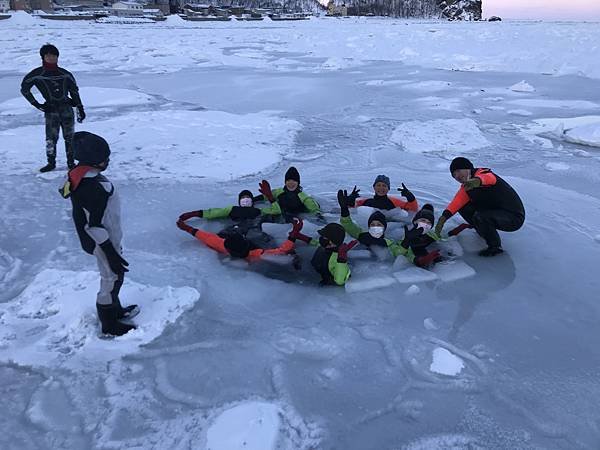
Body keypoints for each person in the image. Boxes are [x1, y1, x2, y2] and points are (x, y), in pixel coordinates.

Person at [59, 131, 137, 337]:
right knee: (110, 277)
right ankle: (109, 324)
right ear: (93, 160)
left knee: (116, 275)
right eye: (104, 158)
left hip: (107, 236)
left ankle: (116, 309)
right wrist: (110, 252)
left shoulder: (79, 175)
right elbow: (93, 225)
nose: (108, 161)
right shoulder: (93, 187)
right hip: (100, 240)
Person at [434, 157, 525, 257]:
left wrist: (477, 181)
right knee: (463, 207)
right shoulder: (466, 186)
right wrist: (443, 219)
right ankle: (483, 230)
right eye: (454, 175)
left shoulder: (482, 173)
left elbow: (489, 178)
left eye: (458, 171)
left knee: (481, 216)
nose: (457, 176)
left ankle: (495, 247)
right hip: (495, 212)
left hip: (513, 217)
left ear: (467, 168)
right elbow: (456, 203)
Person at [21, 44, 86, 173]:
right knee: (51, 138)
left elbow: (74, 92)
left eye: (54, 55)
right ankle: (51, 163)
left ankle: (71, 162)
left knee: (70, 137)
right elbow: (24, 88)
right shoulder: (37, 74)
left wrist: (80, 107)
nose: (51, 58)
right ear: (43, 57)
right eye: (48, 55)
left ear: (58, 57)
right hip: (51, 110)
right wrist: (37, 104)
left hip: (66, 109)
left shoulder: (65, 74)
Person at [338, 190, 440, 267]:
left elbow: (399, 253)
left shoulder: (388, 242)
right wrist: (344, 209)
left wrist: (406, 241)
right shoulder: (362, 235)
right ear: (368, 226)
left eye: (379, 225)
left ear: (384, 228)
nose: (376, 227)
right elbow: (348, 225)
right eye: (373, 224)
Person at [177, 186, 282, 247]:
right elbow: (215, 212)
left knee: (267, 239)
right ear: (239, 201)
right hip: (236, 229)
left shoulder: (259, 211)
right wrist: (195, 213)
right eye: (243, 198)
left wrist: (270, 198)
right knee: (225, 234)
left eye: (248, 198)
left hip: (254, 231)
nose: (246, 199)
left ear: (252, 200)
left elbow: (276, 211)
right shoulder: (232, 209)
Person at [176, 218, 295, 261]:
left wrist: (293, 235)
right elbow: (205, 236)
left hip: (254, 245)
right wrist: (187, 228)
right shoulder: (223, 245)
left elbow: (281, 251)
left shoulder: (257, 253)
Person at [288, 220, 357, 286]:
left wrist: (342, 258)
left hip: (322, 282)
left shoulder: (335, 258)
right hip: (312, 271)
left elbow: (340, 281)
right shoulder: (326, 247)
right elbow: (316, 243)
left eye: (324, 237)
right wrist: (300, 236)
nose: (321, 239)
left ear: (331, 241)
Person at [255, 167, 320, 221]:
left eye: (294, 181)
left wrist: (319, 217)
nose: (291, 183)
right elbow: (266, 195)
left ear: (298, 182)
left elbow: (314, 209)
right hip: (279, 215)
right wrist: (252, 199)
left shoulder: (302, 196)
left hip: (296, 218)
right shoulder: (279, 191)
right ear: (285, 182)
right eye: (288, 181)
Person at [344, 175, 418, 212]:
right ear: (374, 187)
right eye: (378, 185)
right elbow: (353, 208)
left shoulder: (394, 202)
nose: (381, 188)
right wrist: (350, 201)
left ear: (388, 188)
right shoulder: (367, 201)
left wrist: (411, 198)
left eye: (384, 186)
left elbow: (412, 210)